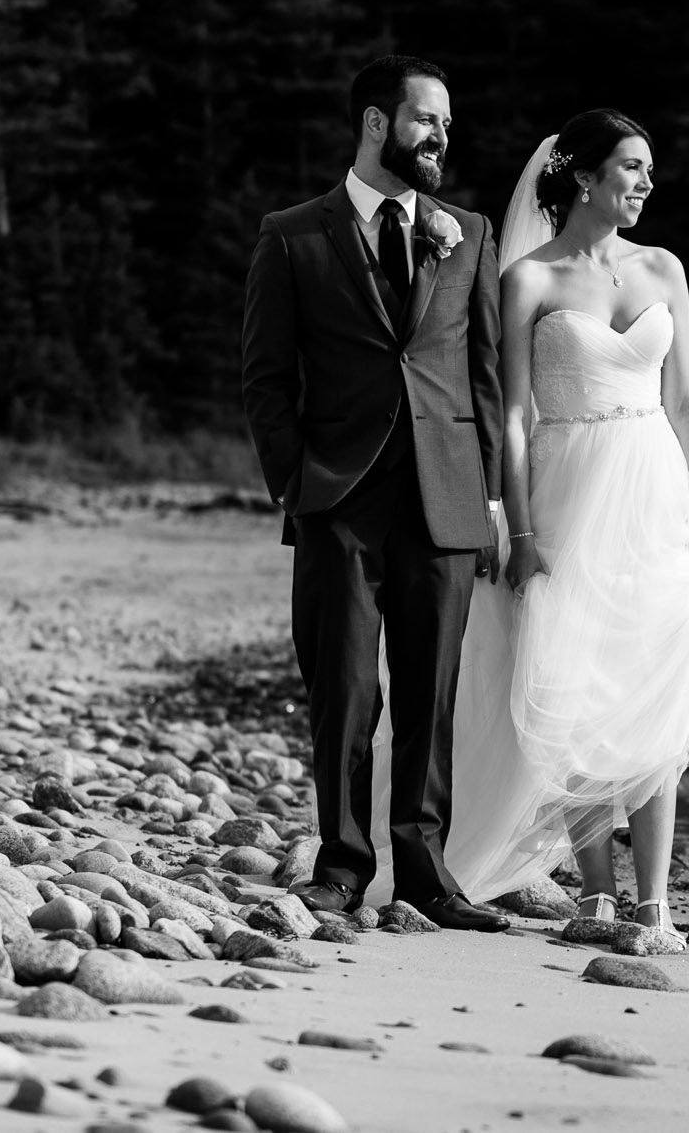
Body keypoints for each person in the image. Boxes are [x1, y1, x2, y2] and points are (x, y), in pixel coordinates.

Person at [240, 55, 510, 933]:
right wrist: (297, 483)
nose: (440, 137)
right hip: (339, 502)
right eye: (426, 120)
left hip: (444, 502)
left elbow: (485, 380)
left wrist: (492, 501)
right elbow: (266, 382)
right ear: (374, 123)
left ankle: (428, 875)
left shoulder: (467, 230)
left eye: (445, 125)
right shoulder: (292, 235)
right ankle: (344, 866)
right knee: (346, 690)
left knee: (432, 692)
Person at [445, 108, 689, 943]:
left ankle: (655, 899)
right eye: (630, 168)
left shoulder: (664, 268)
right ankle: (596, 892)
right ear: (587, 177)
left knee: (655, 690)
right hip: (566, 493)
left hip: (654, 499)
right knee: (576, 686)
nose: (644, 183)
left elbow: (686, 402)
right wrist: (519, 531)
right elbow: (515, 415)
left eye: (647, 170)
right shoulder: (528, 278)